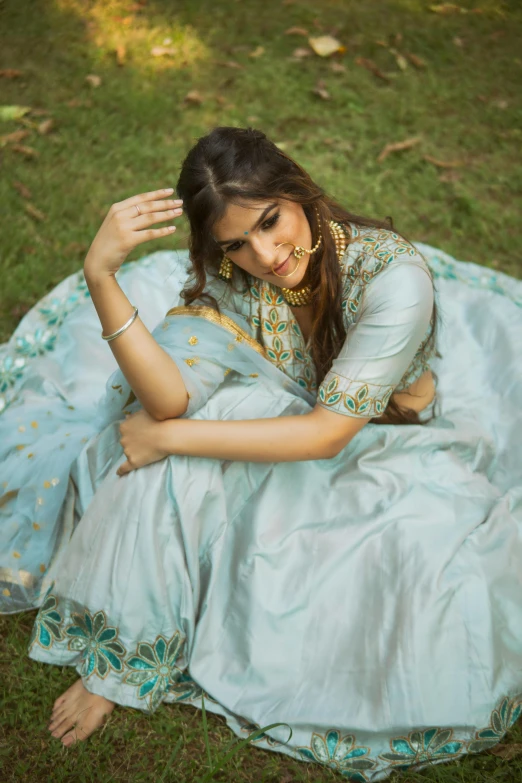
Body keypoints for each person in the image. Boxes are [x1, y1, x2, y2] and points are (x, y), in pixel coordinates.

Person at [1, 126, 521, 780]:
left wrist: (171, 437)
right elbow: (167, 399)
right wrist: (99, 275)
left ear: (296, 189)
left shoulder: (392, 276)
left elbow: (326, 432)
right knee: (180, 431)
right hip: (291, 415)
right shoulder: (233, 280)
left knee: (414, 575)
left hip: (384, 436)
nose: (267, 254)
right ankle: (128, 646)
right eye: (237, 243)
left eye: (271, 222)